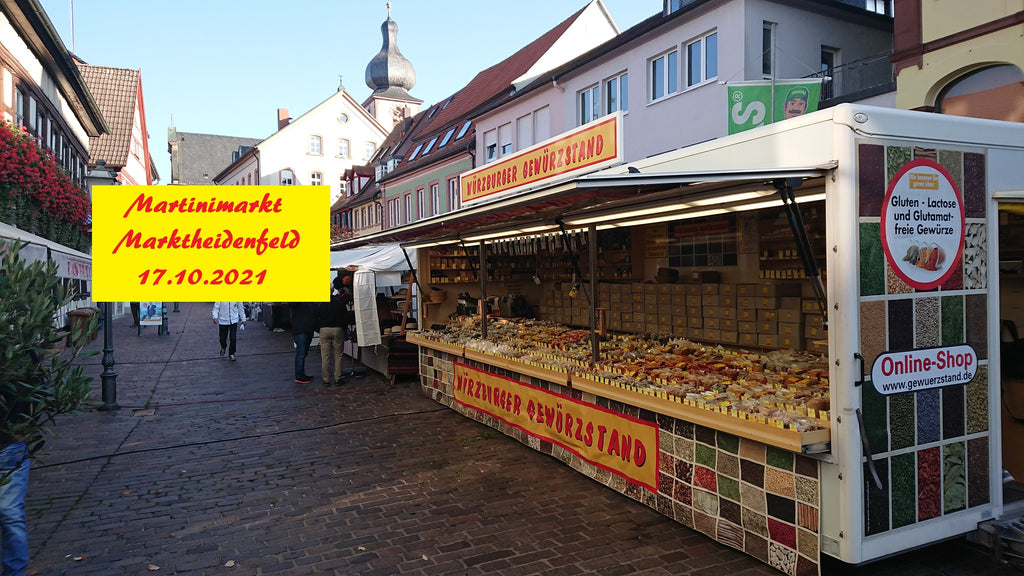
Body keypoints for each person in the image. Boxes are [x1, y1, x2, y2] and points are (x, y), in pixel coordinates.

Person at [317, 276, 351, 387]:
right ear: (332, 290)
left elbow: (315, 317)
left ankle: (326, 379)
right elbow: (345, 316)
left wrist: (319, 329)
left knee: (325, 356)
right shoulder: (338, 301)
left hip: (324, 329)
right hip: (337, 329)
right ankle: (338, 377)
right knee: (338, 355)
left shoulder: (320, 303)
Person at [290, 302, 317, 384]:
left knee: (303, 353)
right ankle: (299, 376)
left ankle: (301, 374)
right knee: (301, 353)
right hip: (300, 329)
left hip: (307, 328)